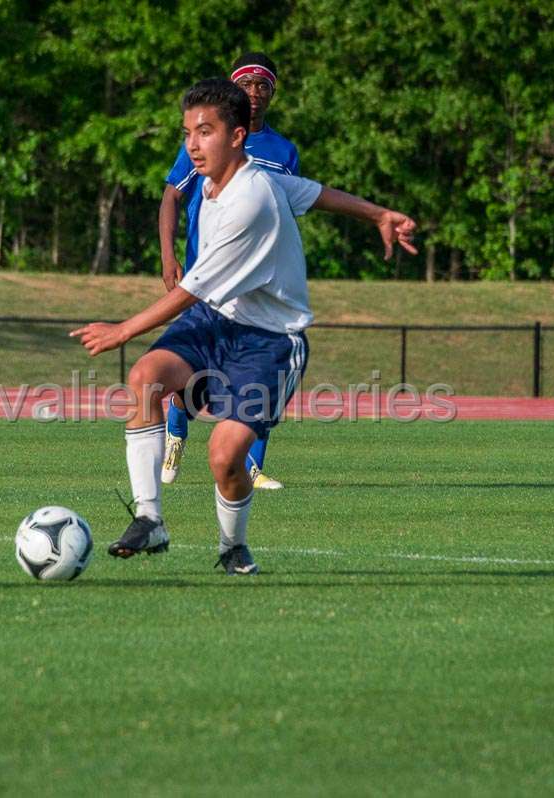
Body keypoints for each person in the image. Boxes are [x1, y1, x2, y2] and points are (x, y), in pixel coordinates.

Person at [71, 79, 416, 575]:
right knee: (145, 378)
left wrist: (123, 331)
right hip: (218, 321)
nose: (192, 143)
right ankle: (150, 519)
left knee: (224, 456)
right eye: (188, 131)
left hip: (270, 341)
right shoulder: (221, 183)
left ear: (236, 137)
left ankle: (232, 546)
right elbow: (315, 194)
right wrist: (377, 213)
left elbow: (188, 291)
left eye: (205, 131)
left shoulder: (250, 199)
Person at [159, 52, 297, 491]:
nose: (254, 94)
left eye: (264, 86)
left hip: (259, 281)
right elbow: (170, 197)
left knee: (262, 372)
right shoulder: (209, 137)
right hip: (207, 275)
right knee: (195, 364)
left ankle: (251, 465)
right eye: (248, 85)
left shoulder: (284, 152)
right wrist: (168, 257)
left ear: (272, 94)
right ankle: (176, 433)